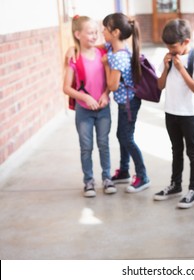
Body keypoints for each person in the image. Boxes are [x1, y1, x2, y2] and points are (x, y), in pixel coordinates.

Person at [153, 19, 194, 209]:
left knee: (192, 152)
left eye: (174, 47)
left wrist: (180, 69)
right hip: (171, 111)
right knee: (176, 150)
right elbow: (160, 85)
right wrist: (167, 68)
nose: (171, 51)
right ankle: (175, 185)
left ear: (186, 41)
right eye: (168, 47)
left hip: (189, 114)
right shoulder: (167, 58)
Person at [63, 15, 115, 197]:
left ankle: (107, 178)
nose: (94, 36)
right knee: (86, 147)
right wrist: (84, 97)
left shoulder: (102, 54)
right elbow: (66, 88)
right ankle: (89, 181)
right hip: (84, 112)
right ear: (78, 34)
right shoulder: (74, 58)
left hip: (103, 109)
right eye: (90, 33)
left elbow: (109, 81)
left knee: (104, 144)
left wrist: (105, 94)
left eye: (96, 33)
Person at [101, 13, 151, 193]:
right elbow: (101, 46)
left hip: (128, 104)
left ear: (115, 32)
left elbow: (113, 86)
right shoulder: (115, 47)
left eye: (104, 29)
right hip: (126, 103)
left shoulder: (118, 57)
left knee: (126, 138)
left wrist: (106, 64)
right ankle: (123, 171)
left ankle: (143, 175)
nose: (102, 32)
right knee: (121, 135)